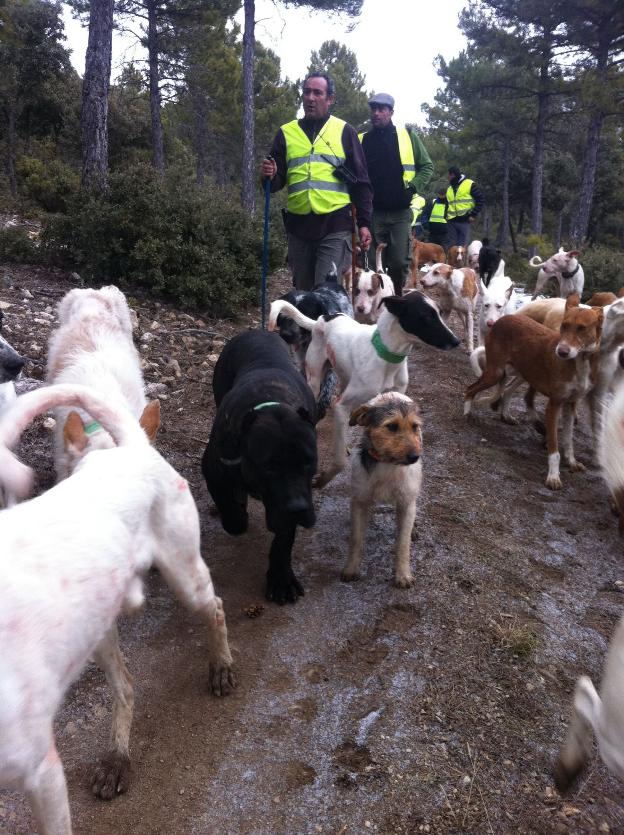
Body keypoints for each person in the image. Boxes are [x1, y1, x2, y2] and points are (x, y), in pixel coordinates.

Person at [260, 72, 372, 291]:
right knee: (302, 292)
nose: (310, 98)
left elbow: (362, 182)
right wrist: (268, 176)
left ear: (329, 99)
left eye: (317, 93)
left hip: (335, 224)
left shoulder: (345, 131)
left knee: (325, 291)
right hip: (298, 226)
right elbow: (275, 183)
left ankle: (331, 324)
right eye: (307, 92)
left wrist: (365, 223)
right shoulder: (286, 132)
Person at [359, 92, 434, 294]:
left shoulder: (407, 136)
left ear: (391, 112)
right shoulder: (362, 140)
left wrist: (412, 188)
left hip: (401, 212)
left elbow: (427, 167)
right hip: (373, 212)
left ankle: (396, 296)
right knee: (371, 264)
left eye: (381, 109)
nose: (376, 113)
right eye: (373, 109)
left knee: (399, 262)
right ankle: (375, 304)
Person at [446, 165, 484, 249]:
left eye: (448, 175)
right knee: (451, 248)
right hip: (451, 221)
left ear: (453, 175)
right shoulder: (449, 188)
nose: (447, 177)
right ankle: (451, 262)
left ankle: (462, 262)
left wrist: (473, 215)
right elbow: (448, 204)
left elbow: (480, 199)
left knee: (462, 248)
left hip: (464, 220)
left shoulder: (469, 184)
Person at [422, 185, 449, 250]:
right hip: (432, 233)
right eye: (440, 194)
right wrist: (425, 224)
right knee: (430, 251)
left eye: (443, 195)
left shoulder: (449, 204)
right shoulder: (433, 202)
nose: (441, 196)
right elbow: (425, 214)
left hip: (444, 234)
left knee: (442, 252)